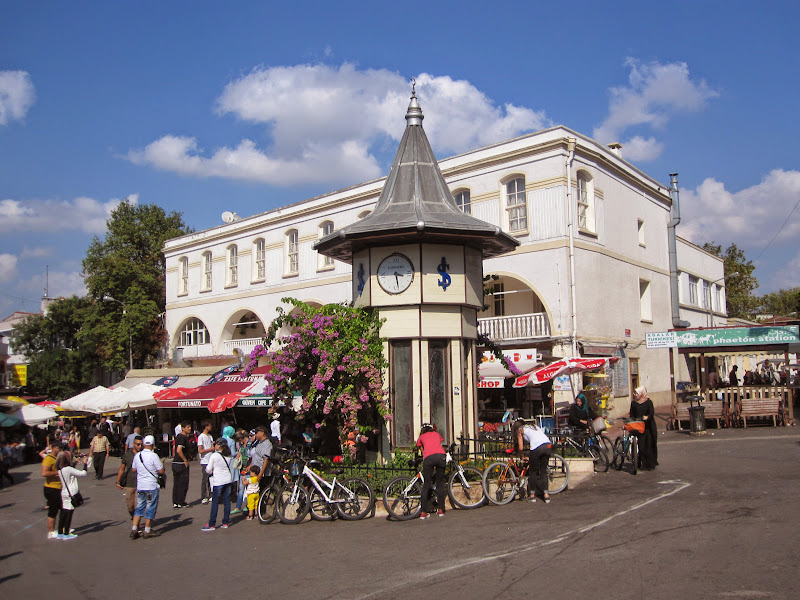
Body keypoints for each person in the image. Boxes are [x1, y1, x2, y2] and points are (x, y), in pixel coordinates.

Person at [130, 435, 165, 540]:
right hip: (151, 486)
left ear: (144, 444)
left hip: (140, 486)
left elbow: (133, 469)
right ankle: (147, 530)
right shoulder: (154, 456)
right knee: (150, 506)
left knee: (140, 506)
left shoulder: (138, 456)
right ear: (153, 445)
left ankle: (134, 529)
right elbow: (161, 471)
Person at [512, 418, 552, 503]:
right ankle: (546, 495)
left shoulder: (520, 430)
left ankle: (532, 495)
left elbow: (521, 447)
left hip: (537, 447)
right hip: (547, 445)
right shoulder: (534, 427)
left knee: (533, 471)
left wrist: (521, 455)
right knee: (543, 471)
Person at [415, 423, 446, 519]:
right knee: (440, 483)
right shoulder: (436, 434)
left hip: (428, 458)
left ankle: (423, 512)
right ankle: (440, 510)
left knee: (426, 484)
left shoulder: (421, 436)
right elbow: (439, 442)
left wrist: (424, 453)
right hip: (441, 456)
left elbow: (420, 447)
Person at [202, 438, 234, 531]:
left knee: (215, 502)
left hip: (218, 481)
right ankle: (225, 522)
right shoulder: (228, 455)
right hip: (228, 480)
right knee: (227, 501)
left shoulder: (214, 455)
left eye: (215, 444)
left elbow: (208, 469)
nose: (214, 446)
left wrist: (211, 470)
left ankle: (212, 524)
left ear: (219, 446)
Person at [56, 450, 87, 540]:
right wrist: (85, 464)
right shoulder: (68, 469)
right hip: (71, 492)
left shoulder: (60, 470)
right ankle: (66, 533)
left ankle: (60, 532)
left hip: (64, 492)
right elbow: (82, 473)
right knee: (69, 512)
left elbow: (69, 470)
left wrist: (75, 463)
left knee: (64, 512)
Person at [630, 386, 658, 470]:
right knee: (641, 446)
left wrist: (647, 417)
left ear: (641, 394)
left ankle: (650, 464)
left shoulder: (648, 402)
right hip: (639, 426)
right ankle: (641, 461)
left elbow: (651, 413)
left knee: (649, 445)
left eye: (636, 393)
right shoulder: (634, 403)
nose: (634, 395)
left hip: (649, 427)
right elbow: (632, 414)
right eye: (634, 393)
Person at [117, 435, 143, 519]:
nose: (139, 446)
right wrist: (118, 481)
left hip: (141, 483)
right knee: (130, 506)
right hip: (130, 483)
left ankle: (136, 523)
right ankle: (134, 517)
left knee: (138, 505)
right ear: (133, 444)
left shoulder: (144, 454)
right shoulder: (127, 455)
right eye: (137, 444)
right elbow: (122, 469)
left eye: (141, 444)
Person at [41, 441, 63, 539]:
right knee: (53, 510)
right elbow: (44, 473)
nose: (60, 450)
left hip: (59, 487)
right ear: (54, 448)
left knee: (63, 508)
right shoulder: (48, 459)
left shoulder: (56, 458)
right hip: (51, 488)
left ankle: (62, 528)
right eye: (59, 448)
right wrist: (56, 473)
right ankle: (51, 531)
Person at [172, 421, 192, 509]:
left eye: (190, 427)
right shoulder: (182, 438)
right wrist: (185, 460)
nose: (189, 428)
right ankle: (180, 501)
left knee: (176, 483)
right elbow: (179, 450)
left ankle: (176, 502)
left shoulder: (178, 437)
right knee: (182, 483)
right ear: (183, 428)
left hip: (175, 463)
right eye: (187, 427)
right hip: (180, 463)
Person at [249, 426, 273, 493]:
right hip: (254, 471)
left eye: (256, 433)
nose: (255, 435)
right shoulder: (259, 443)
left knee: (259, 492)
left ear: (262, 433)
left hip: (260, 473)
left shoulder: (267, 444)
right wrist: (250, 466)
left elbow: (266, 459)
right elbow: (256, 455)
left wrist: (261, 473)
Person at [197, 420, 214, 504]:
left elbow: (212, 446)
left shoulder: (210, 436)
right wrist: (210, 449)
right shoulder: (201, 437)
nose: (211, 427)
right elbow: (200, 450)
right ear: (206, 426)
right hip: (205, 460)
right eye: (210, 425)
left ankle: (211, 495)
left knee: (211, 479)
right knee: (205, 479)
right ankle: (203, 496)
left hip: (211, 460)